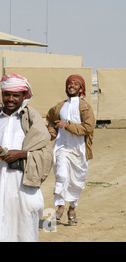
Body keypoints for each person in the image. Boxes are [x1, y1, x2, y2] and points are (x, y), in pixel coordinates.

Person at [0, 74, 53, 242]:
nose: (10, 99)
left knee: (25, 230)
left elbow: (46, 155)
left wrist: (22, 154)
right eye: (7, 94)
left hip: (24, 186)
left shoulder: (32, 121)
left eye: (15, 95)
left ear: (24, 96)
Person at [46, 74, 95, 226]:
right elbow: (50, 119)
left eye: (75, 84)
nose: (72, 86)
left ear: (81, 88)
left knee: (76, 180)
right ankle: (60, 206)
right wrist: (52, 131)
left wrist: (68, 125)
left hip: (79, 149)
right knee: (61, 174)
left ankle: (72, 208)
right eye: (69, 83)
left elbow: (88, 128)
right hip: (62, 146)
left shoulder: (85, 107)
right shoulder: (60, 106)